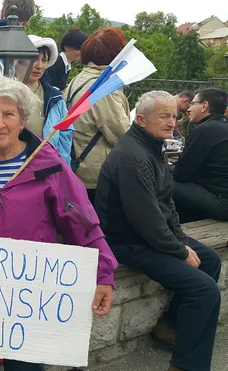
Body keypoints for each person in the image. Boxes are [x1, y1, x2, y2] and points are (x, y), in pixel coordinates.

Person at [0, 77, 117, 371]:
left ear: (23, 119)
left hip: (30, 301)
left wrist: (104, 274)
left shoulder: (49, 166)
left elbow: (84, 224)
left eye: (8, 114)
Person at [95, 91, 221, 371]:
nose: (172, 122)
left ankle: (171, 328)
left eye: (175, 115)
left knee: (210, 260)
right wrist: (179, 249)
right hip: (128, 243)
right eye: (164, 116)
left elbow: (165, 202)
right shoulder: (133, 156)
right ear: (140, 119)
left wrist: (179, 238)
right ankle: (187, 366)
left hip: (147, 236)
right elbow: (145, 219)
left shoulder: (151, 146)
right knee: (205, 290)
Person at [67, 27, 130, 202]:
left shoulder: (79, 79)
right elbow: (120, 134)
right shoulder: (103, 88)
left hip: (79, 164)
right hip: (96, 173)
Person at [173, 88, 228, 223]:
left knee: (161, 179)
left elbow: (181, 174)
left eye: (193, 104)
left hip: (221, 203)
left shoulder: (204, 130)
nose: (189, 109)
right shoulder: (222, 127)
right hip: (219, 196)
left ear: (204, 106)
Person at [22, 35, 73, 165]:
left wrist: (62, 168)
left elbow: (65, 134)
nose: (39, 66)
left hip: (46, 168)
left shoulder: (54, 97)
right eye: (34, 59)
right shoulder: (4, 93)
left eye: (44, 60)